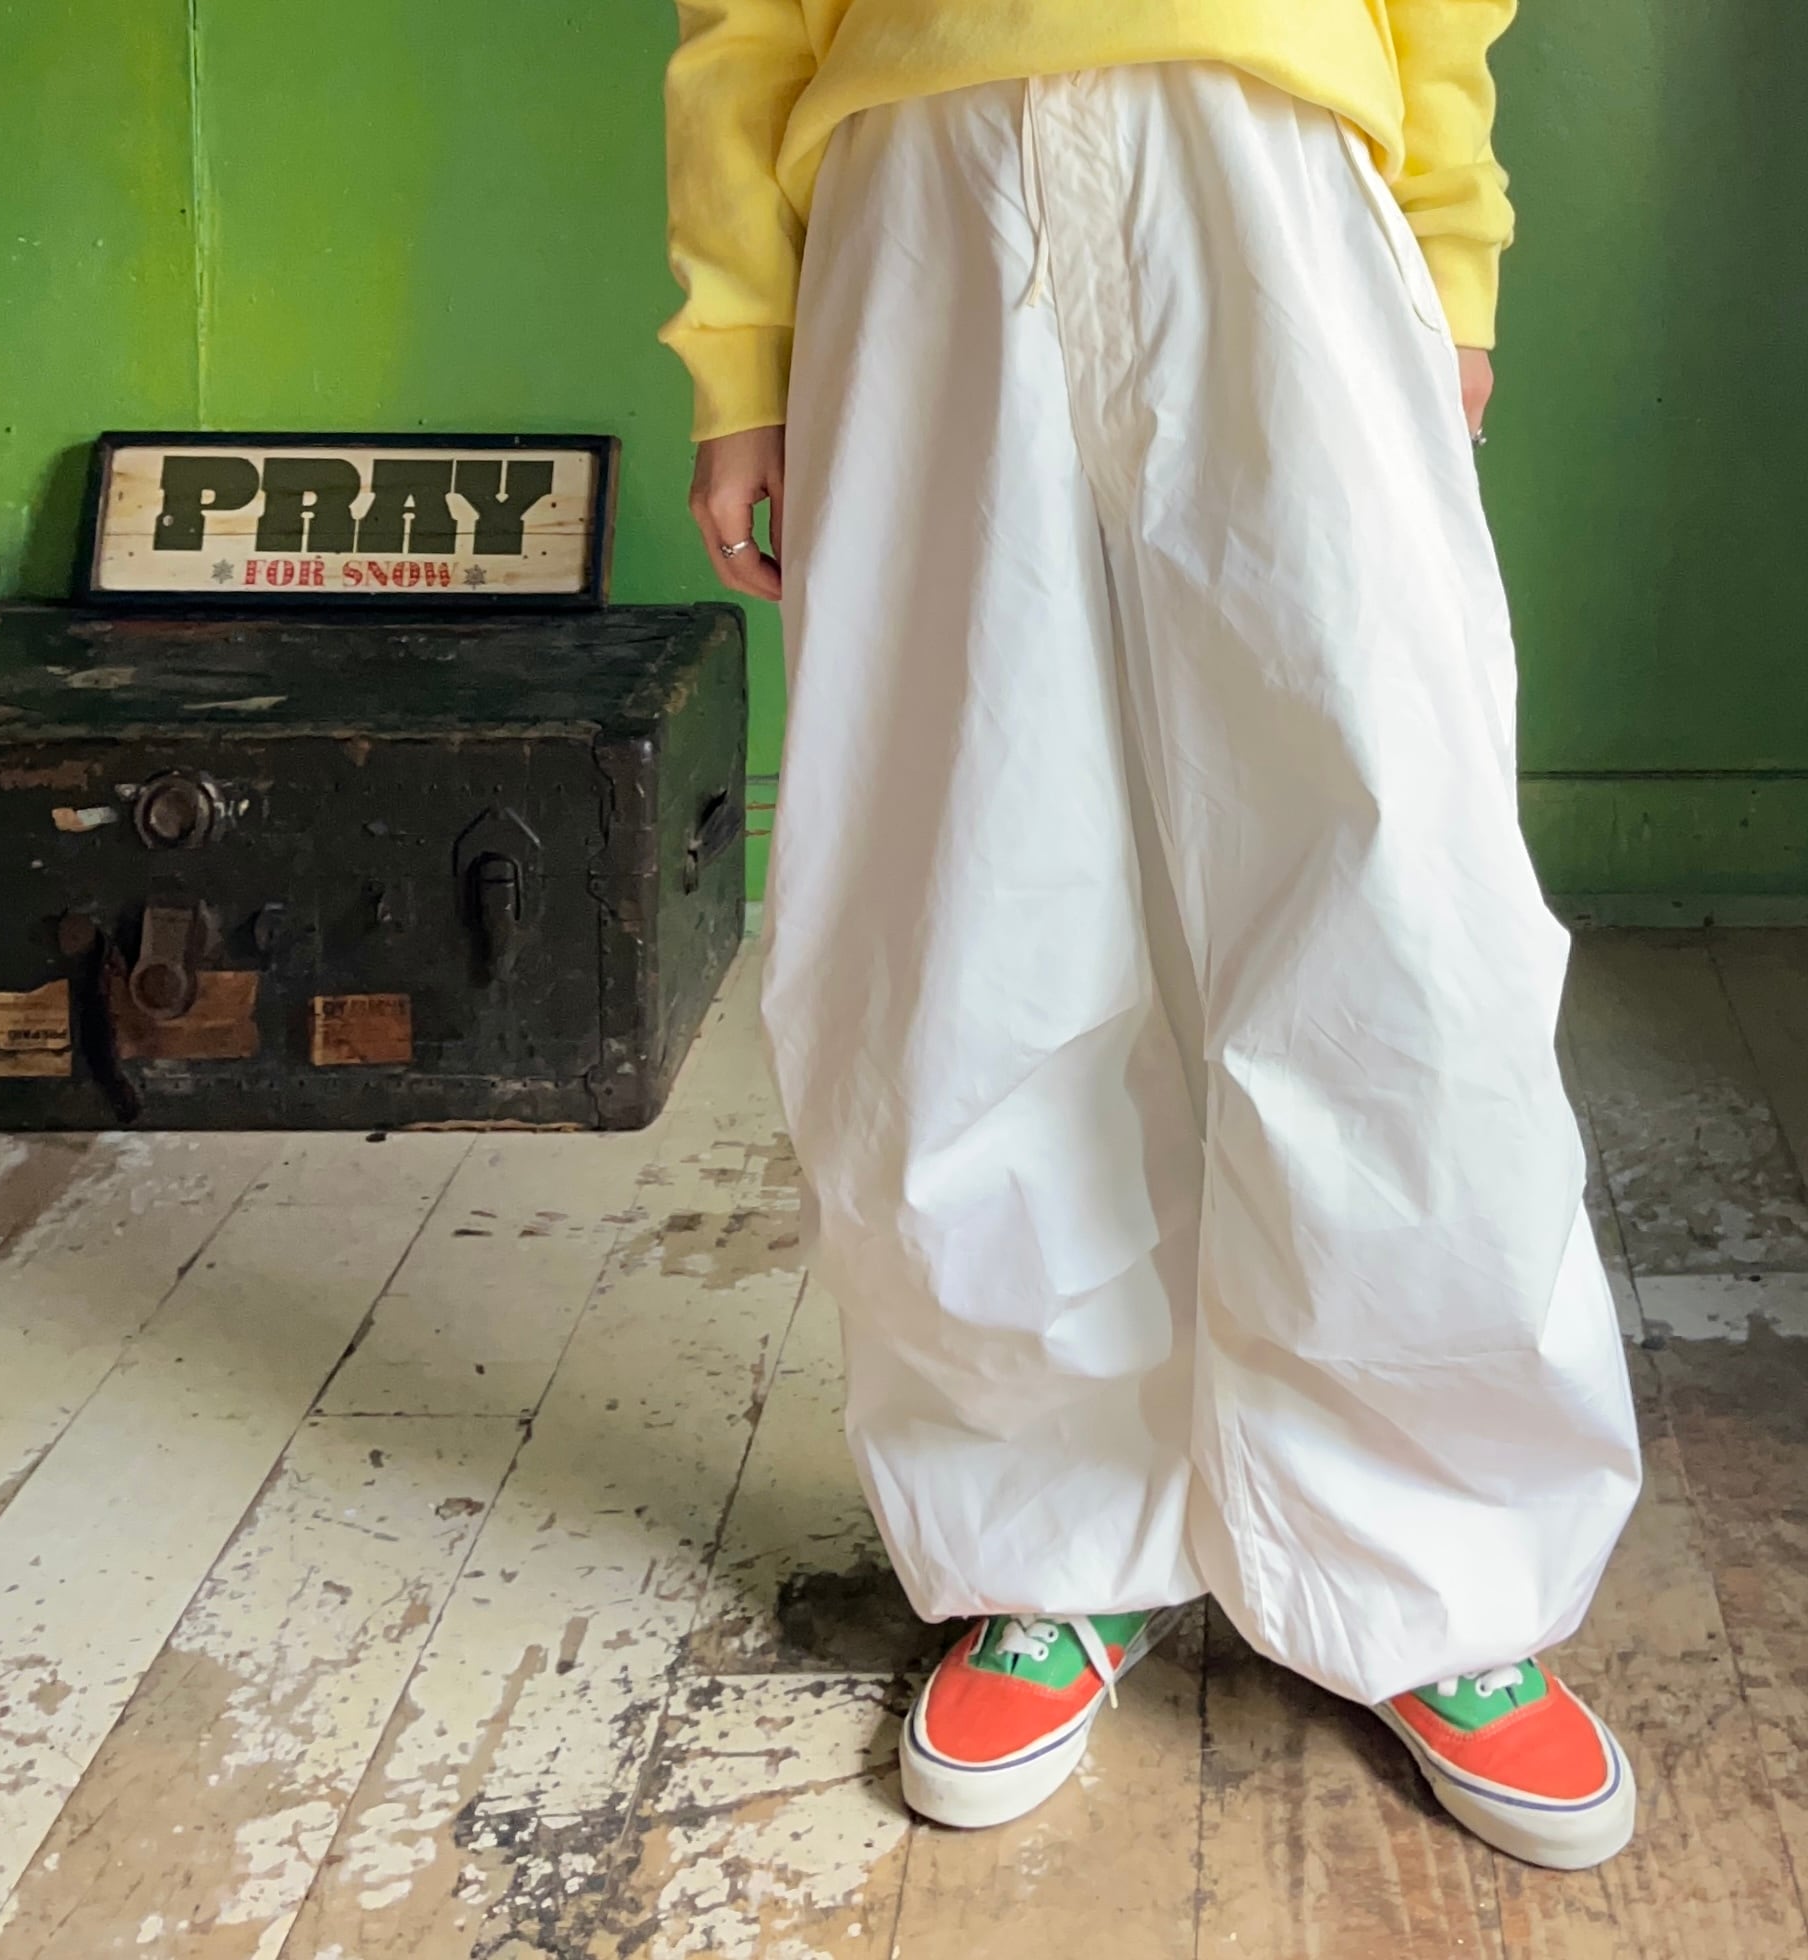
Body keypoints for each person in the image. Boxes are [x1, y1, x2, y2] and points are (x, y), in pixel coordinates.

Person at [662, 1, 1643, 1871]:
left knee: (1392, 898)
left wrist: (1450, 251)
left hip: (1269, 160)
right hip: (922, 187)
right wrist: (740, 347)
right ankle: (1043, 1534)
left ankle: (1435, 1561)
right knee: (959, 912)